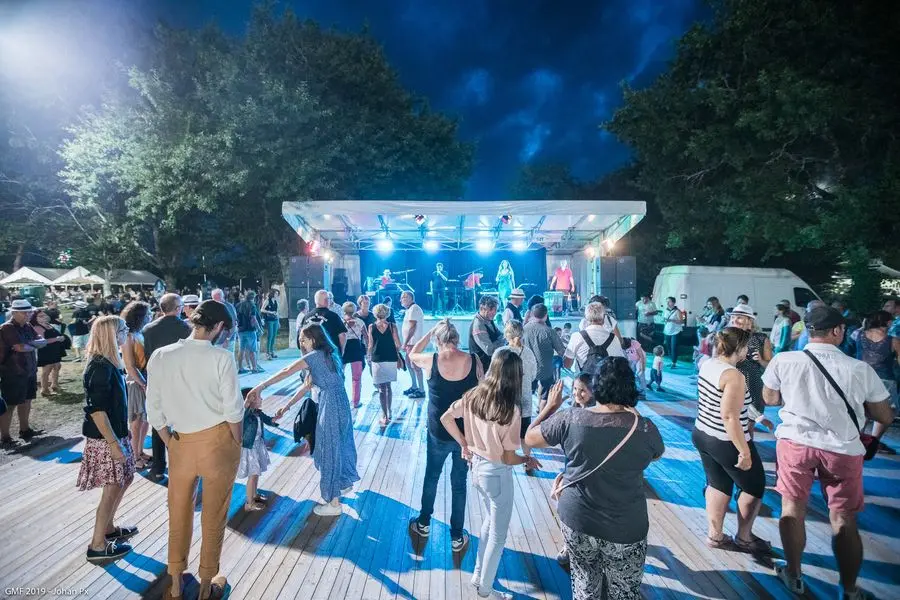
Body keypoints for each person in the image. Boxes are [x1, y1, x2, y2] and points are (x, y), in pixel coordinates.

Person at [762, 306, 894, 599]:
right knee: (843, 518)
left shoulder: (784, 360)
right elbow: (884, 416)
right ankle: (849, 589)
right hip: (842, 450)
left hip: (795, 444)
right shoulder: (860, 369)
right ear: (837, 331)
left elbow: (769, 398)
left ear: (809, 330)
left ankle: (794, 575)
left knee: (792, 509)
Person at [525, 359, 665, 600]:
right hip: (625, 526)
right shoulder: (644, 428)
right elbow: (657, 454)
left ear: (596, 387)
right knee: (624, 592)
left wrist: (549, 407)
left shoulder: (570, 419)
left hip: (579, 520)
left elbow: (529, 438)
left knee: (585, 585)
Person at [145, 300, 245, 600]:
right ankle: (205, 586)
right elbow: (233, 410)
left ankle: (176, 584)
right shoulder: (222, 358)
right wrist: (237, 442)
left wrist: (169, 442)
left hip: (180, 442)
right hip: (218, 442)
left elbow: (154, 409)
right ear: (218, 326)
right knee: (214, 515)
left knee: (178, 513)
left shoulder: (161, 356)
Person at [440, 349, 539, 599]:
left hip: (476, 469)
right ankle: (485, 589)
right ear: (515, 377)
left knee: (488, 522)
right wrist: (527, 459)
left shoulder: (473, 396)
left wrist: (464, 443)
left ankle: (477, 576)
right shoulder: (510, 410)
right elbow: (508, 457)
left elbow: (446, 418)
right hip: (497, 475)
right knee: (498, 534)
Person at [250, 323, 359, 516]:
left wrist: (261, 386)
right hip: (341, 405)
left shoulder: (313, 356)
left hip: (330, 405)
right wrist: (286, 406)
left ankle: (333, 503)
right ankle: (342, 483)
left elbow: (286, 370)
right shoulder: (330, 354)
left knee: (327, 449)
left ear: (314, 339)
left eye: (304, 339)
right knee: (339, 445)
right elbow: (307, 386)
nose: (301, 343)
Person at [407, 320, 483, 554]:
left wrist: (429, 331)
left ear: (437, 340)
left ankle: (423, 523)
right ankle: (457, 536)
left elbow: (412, 354)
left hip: (438, 432)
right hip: (465, 434)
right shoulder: (474, 360)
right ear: (457, 339)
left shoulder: (431, 360)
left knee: (432, 476)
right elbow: (481, 394)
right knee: (459, 484)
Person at [692, 327, 769, 553]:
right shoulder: (734, 376)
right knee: (754, 486)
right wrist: (744, 451)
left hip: (703, 432)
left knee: (718, 484)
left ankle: (715, 535)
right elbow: (729, 416)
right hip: (726, 440)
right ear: (740, 348)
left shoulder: (707, 364)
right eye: (746, 346)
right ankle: (744, 537)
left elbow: (723, 403)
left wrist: (758, 417)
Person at [78, 315, 137, 563]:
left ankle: (109, 528)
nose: (127, 332)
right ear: (111, 335)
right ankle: (97, 545)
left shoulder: (110, 363)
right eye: (123, 329)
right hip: (105, 440)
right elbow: (97, 411)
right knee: (112, 487)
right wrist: (114, 443)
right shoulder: (99, 367)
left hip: (116, 434)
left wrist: (124, 431)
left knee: (126, 477)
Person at [142, 293, 191, 483]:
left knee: (158, 424)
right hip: (180, 382)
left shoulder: (148, 329)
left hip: (157, 380)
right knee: (182, 424)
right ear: (177, 308)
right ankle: (182, 464)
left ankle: (158, 467)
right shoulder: (186, 328)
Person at [0, 299, 51, 445]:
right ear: (14, 312)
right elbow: (20, 347)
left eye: (29, 312)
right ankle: (5, 437)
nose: (28, 315)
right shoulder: (7, 328)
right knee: (10, 404)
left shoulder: (27, 326)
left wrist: (31, 344)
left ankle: (25, 429)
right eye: (24, 312)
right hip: (12, 372)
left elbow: (41, 339)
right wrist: (34, 345)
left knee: (27, 400)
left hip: (28, 370)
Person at [493, 320, 538, 470]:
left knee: (502, 431)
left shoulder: (500, 353)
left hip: (504, 399)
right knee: (524, 433)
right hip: (524, 399)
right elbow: (533, 375)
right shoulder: (529, 353)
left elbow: (492, 375)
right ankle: (527, 461)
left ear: (506, 335)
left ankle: (502, 460)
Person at [854, 310, 899, 453]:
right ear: (888, 323)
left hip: (861, 377)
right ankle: (873, 441)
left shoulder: (859, 335)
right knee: (886, 411)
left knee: (862, 409)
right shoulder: (893, 340)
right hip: (885, 380)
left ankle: (856, 439)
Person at [730, 305, 775, 431]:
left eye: (739, 317)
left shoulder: (761, 338)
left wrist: (760, 360)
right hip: (733, 384)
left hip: (754, 386)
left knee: (749, 427)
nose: (734, 320)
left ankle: (748, 443)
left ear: (749, 321)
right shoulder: (727, 337)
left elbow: (770, 366)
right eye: (733, 317)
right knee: (732, 423)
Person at [120, 301, 152, 470]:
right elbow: (130, 366)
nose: (150, 316)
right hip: (136, 381)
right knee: (136, 421)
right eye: (148, 314)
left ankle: (139, 451)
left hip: (145, 378)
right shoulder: (128, 337)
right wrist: (143, 384)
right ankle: (133, 456)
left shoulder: (141, 334)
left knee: (145, 420)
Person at [238, 387, 279, 512]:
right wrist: (246, 403)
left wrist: (277, 417)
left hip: (257, 446)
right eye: (259, 397)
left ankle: (254, 495)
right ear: (250, 400)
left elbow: (269, 420)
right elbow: (243, 413)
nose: (261, 399)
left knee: (256, 473)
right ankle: (249, 503)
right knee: (253, 474)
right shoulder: (245, 414)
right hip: (249, 448)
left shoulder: (258, 413)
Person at [523, 303, 566, 410]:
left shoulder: (524, 329)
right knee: (545, 396)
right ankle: (542, 415)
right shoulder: (549, 331)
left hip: (528, 368)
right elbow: (561, 351)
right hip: (546, 369)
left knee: (527, 395)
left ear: (532, 314)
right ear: (546, 315)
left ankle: (526, 417)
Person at [563, 302, 624, 372]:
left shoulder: (576, 336)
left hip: (584, 378)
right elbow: (620, 362)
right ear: (603, 318)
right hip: (607, 378)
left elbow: (567, 364)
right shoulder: (614, 338)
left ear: (586, 319)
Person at [368, 303, 403, 425]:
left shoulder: (371, 327)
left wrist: (368, 357)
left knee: (381, 388)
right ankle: (389, 411)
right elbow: (398, 344)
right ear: (387, 313)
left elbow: (370, 345)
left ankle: (384, 415)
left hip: (377, 358)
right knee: (388, 386)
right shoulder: (392, 326)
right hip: (391, 358)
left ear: (375, 314)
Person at [30, 308, 67, 397]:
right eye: (40, 316)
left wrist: (61, 338)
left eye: (44, 315)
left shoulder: (48, 324)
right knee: (47, 369)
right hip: (46, 350)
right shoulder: (37, 327)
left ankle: (55, 385)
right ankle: (44, 389)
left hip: (55, 349)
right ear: (35, 318)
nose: (44, 317)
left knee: (57, 366)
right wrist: (56, 339)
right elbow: (43, 341)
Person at [400, 291, 426, 399]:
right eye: (401, 297)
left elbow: (412, 327)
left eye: (404, 297)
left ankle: (421, 390)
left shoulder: (414, 309)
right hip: (410, 343)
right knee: (409, 364)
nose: (402, 299)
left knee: (415, 366)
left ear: (411, 298)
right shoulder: (409, 309)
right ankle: (414, 386)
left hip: (413, 343)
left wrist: (405, 343)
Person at [340, 301, 366, 408]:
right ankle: (356, 401)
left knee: (340, 375)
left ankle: (341, 400)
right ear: (355, 310)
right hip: (356, 348)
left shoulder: (340, 322)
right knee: (356, 377)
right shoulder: (360, 322)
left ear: (344, 310)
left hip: (344, 348)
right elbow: (366, 336)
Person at [469, 295, 505, 371]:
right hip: (482, 368)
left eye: (495, 310)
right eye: (491, 310)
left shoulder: (488, 319)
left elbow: (500, 335)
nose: (494, 313)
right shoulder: (478, 325)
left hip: (491, 365)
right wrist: (503, 343)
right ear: (482, 308)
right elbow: (489, 350)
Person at [236, 291, 264, 374]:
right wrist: (259, 329)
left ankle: (240, 368)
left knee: (241, 349)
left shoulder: (239, 305)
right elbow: (253, 318)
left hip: (240, 330)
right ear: (253, 297)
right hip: (250, 330)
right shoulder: (252, 305)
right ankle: (254, 368)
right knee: (252, 350)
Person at [662, 297, 683, 368]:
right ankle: (671, 361)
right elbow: (665, 320)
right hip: (667, 331)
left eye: (669, 302)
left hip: (676, 331)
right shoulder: (666, 310)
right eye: (667, 302)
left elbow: (681, 321)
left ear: (673, 303)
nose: (667, 303)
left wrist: (671, 320)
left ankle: (674, 362)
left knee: (674, 347)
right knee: (668, 347)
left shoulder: (678, 311)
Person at [261, 289, 280, 360]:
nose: (277, 295)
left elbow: (277, 312)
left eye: (277, 294)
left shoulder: (276, 301)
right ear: (272, 294)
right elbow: (262, 309)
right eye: (276, 293)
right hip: (269, 320)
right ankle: (267, 353)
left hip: (275, 320)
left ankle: (272, 351)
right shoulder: (267, 301)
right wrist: (270, 312)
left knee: (274, 336)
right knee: (270, 336)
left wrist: (278, 321)